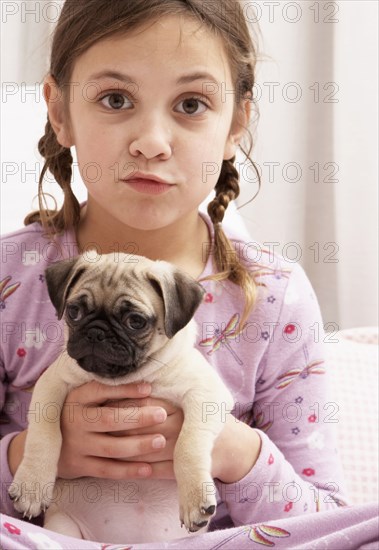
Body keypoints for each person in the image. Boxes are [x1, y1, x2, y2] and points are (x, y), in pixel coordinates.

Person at [1, 1, 378, 548]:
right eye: (115, 99)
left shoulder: (274, 296)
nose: (152, 141)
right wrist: (32, 451)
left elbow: (323, 517)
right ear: (59, 113)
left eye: (191, 104)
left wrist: (232, 452)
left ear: (237, 123)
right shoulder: (11, 279)